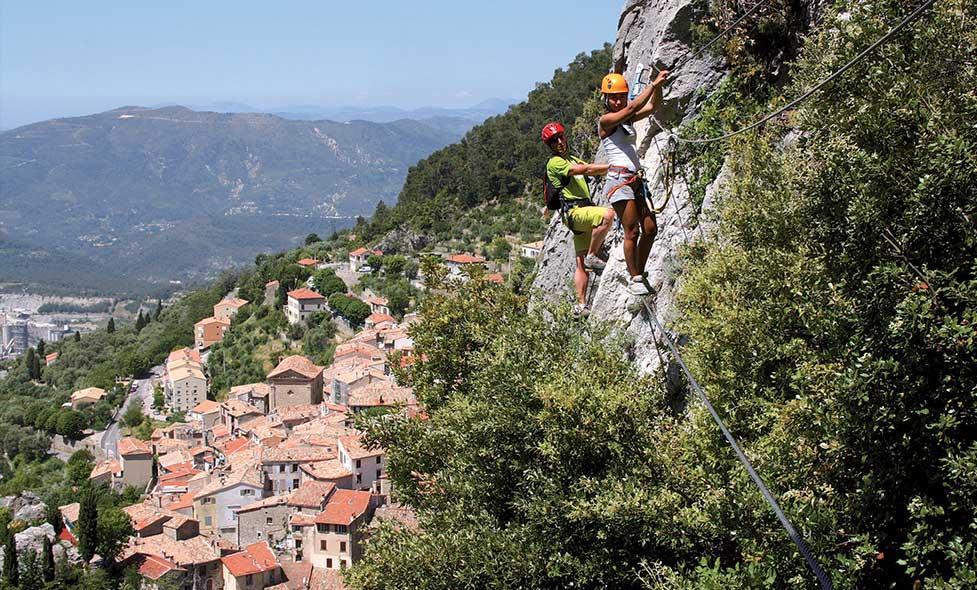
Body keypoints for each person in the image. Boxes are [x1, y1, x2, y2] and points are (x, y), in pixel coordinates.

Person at [598, 69, 669, 296]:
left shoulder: (626, 119)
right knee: (632, 231)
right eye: (613, 97)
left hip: (634, 179)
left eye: (621, 96)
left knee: (650, 229)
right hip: (619, 180)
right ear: (606, 100)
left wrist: (657, 89)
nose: (618, 101)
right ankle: (635, 276)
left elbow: (651, 108)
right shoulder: (606, 120)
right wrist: (652, 84)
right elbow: (632, 108)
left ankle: (639, 270)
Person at [541, 121, 615, 316]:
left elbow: (590, 168)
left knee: (580, 262)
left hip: (580, 213)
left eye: (560, 137)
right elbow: (585, 170)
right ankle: (594, 254)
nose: (559, 142)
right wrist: (614, 167)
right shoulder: (555, 162)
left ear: (565, 137)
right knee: (607, 216)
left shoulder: (573, 158)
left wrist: (609, 169)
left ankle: (581, 305)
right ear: (550, 146)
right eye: (554, 141)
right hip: (574, 212)